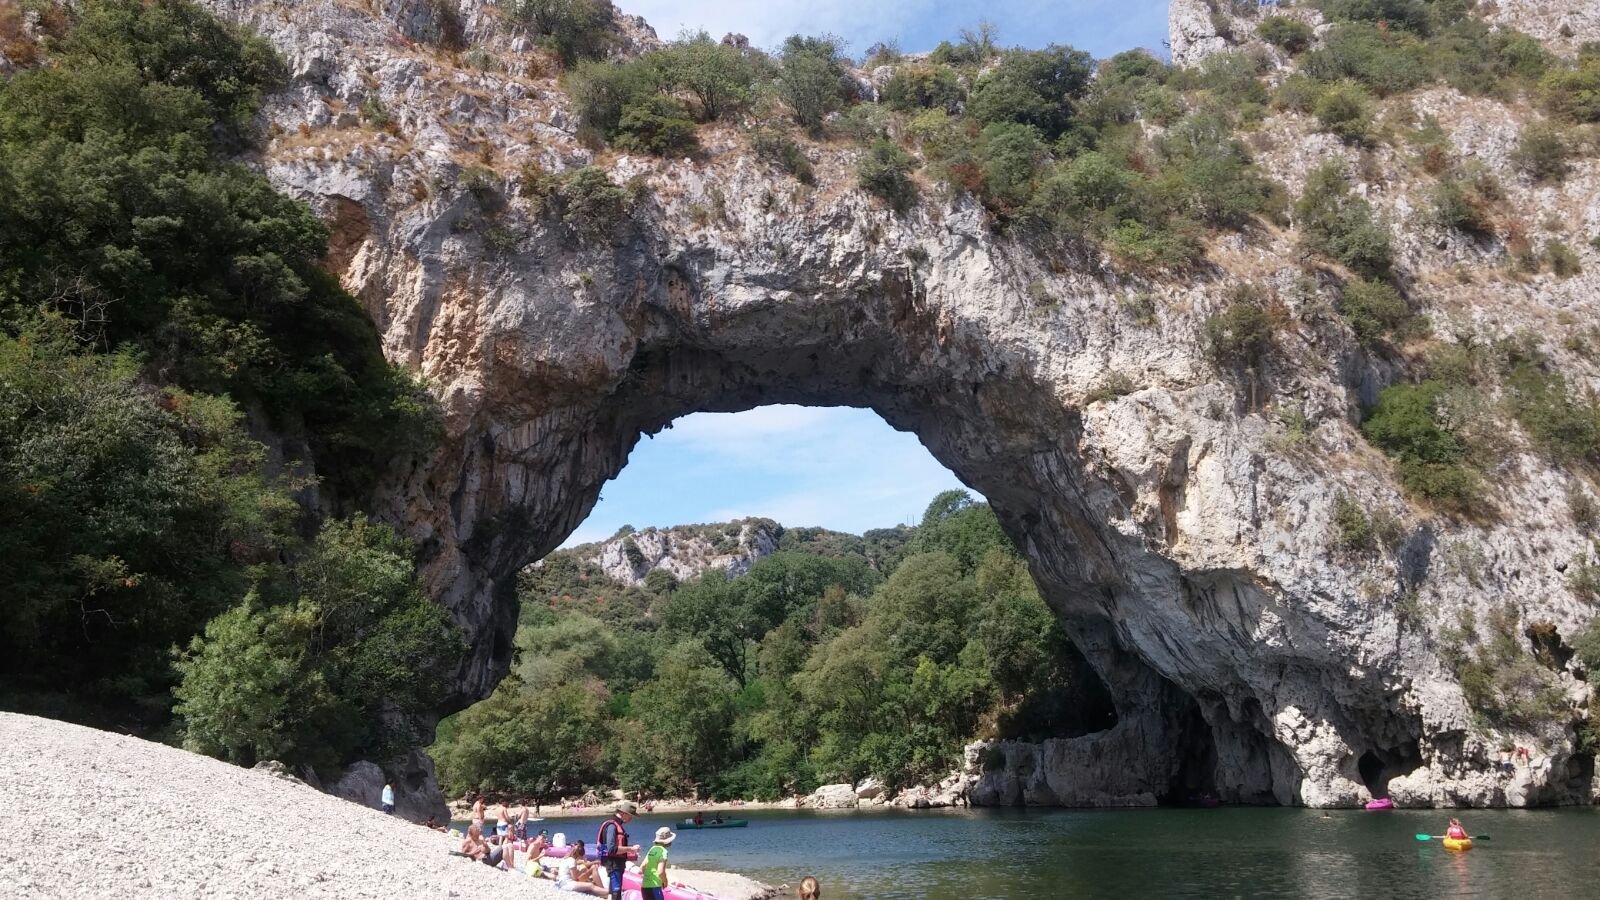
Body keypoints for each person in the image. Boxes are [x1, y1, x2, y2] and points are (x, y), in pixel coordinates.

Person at [597, 800, 639, 900]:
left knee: (614, 891)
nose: (631, 818)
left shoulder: (615, 824)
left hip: (614, 863)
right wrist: (631, 849)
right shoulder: (612, 826)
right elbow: (612, 849)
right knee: (616, 891)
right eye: (630, 815)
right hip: (613, 864)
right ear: (623, 813)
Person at [641, 826, 675, 900]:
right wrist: (665, 881)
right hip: (655, 886)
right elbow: (660, 872)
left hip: (645, 886)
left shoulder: (652, 849)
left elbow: (642, 867)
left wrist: (648, 878)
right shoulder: (663, 851)